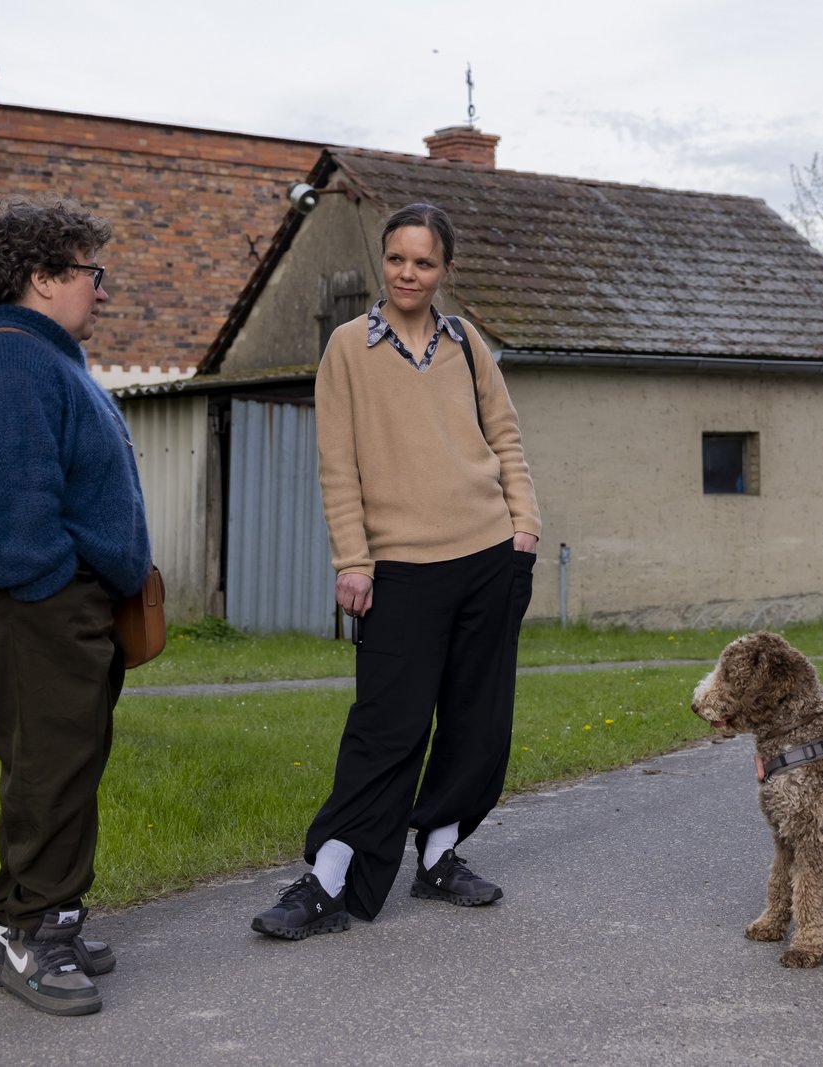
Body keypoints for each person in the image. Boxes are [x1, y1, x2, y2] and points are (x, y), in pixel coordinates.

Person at [252, 202, 540, 940]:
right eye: (397, 259)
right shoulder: (348, 348)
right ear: (383, 261)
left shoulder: (467, 342)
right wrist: (353, 559)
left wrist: (524, 530)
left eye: (424, 262)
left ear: (445, 270)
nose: (408, 273)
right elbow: (337, 466)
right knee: (386, 727)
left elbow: (505, 441)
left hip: (488, 556)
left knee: (478, 722)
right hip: (400, 569)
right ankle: (327, 879)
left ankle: (441, 856)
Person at [0, 195, 151, 1017]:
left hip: (57, 597)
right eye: (93, 272)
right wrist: (62, 595)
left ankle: (42, 916)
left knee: (62, 756)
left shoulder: (43, 358)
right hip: (30, 593)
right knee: (50, 763)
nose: (102, 289)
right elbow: (12, 518)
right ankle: (27, 938)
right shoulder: (11, 361)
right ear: (44, 278)